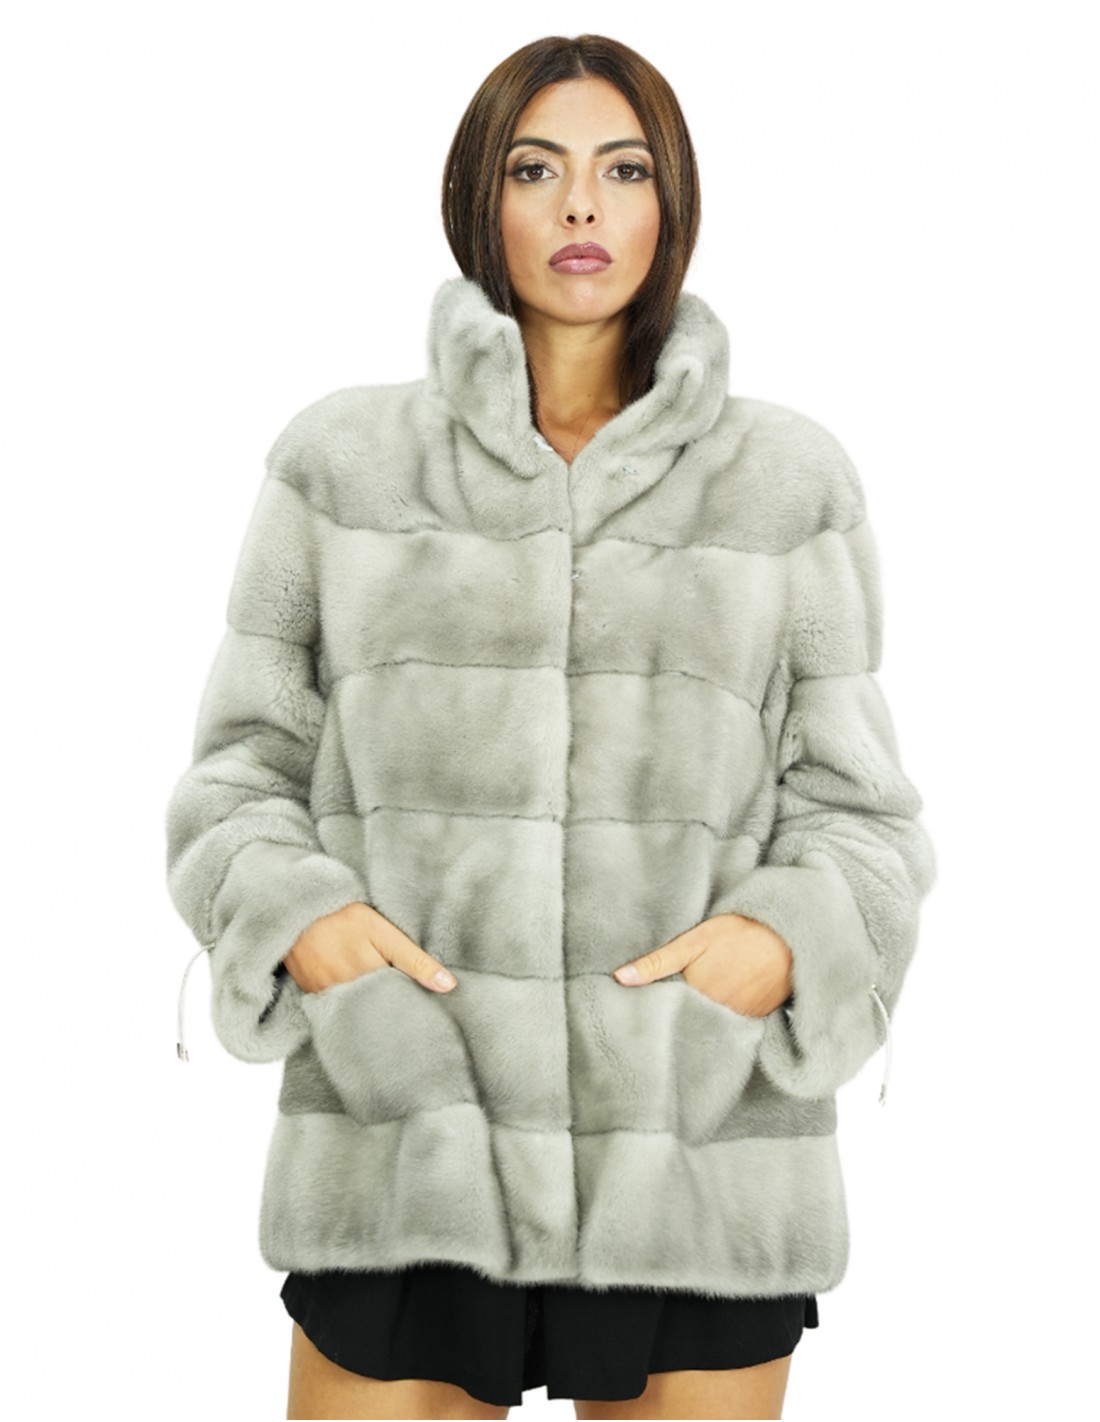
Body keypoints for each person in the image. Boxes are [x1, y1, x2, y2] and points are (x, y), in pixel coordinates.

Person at [166, 32, 937, 1422]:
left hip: (693, 1144)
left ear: (671, 201)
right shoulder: (341, 467)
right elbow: (237, 774)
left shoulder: (787, 482)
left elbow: (862, 811)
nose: (582, 205)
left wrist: (781, 944)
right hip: (410, 1131)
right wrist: (304, 922)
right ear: (481, 195)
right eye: (537, 169)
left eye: (623, 170)